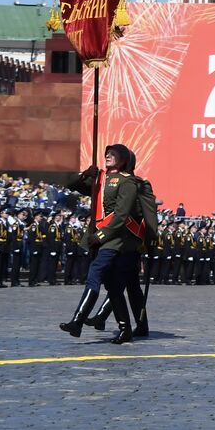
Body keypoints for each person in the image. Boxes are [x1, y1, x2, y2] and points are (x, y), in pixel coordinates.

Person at [59, 144, 157, 344]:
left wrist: (101, 236)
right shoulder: (101, 179)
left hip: (119, 240)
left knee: (99, 274)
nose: (107, 156)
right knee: (117, 285)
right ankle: (126, 328)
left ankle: (78, 321)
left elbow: (121, 215)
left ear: (124, 159)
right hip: (105, 238)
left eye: (113, 154)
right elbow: (71, 186)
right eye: (107, 154)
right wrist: (85, 175)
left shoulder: (128, 182)